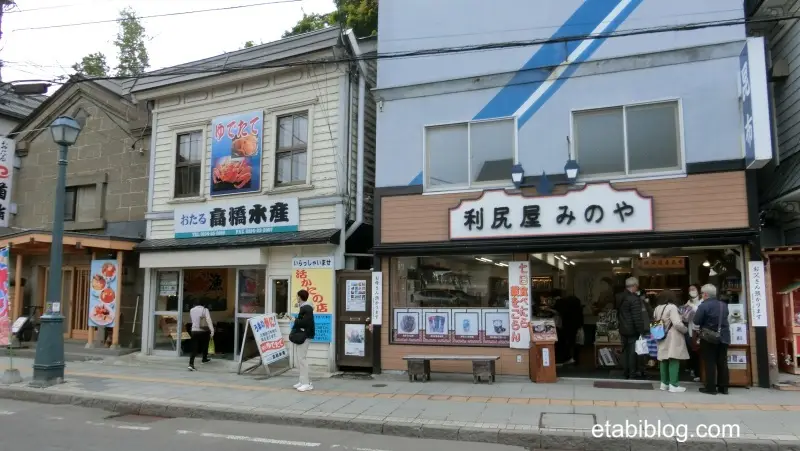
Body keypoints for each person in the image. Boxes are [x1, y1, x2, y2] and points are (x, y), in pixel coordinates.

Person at [693, 284, 731, 395]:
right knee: (722, 362)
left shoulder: (703, 306)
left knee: (710, 362)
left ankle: (711, 388)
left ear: (705, 294)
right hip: (724, 337)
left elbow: (696, 321)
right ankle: (724, 388)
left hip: (709, 338)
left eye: (701, 293)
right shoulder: (723, 305)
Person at [653, 290, 689, 393]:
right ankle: (674, 384)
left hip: (660, 335)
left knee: (663, 359)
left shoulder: (657, 308)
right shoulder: (672, 307)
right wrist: (685, 330)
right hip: (672, 336)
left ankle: (664, 383)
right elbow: (677, 323)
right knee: (674, 358)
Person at [617, 277, 649, 379]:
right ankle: (632, 373)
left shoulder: (619, 297)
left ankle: (625, 372)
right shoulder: (634, 299)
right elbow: (637, 318)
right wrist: (641, 331)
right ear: (634, 286)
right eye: (637, 286)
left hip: (623, 328)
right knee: (632, 353)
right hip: (632, 330)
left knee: (625, 351)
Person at [291, 289, 315, 392]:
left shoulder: (307, 308)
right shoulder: (305, 307)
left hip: (305, 336)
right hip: (303, 335)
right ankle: (302, 381)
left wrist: (293, 320)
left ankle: (307, 383)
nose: (296, 298)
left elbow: (304, 323)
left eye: (297, 296)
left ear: (300, 297)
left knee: (302, 359)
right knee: (300, 359)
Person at [679, 284, 703, 382]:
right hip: (690, 330)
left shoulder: (702, 302)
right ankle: (695, 371)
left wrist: (693, 308)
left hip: (700, 331)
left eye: (693, 289)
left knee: (700, 353)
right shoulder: (688, 303)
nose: (691, 291)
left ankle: (701, 373)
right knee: (693, 352)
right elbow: (686, 318)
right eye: (690, 290)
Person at [188, 301, 214, 371]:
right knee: (205, 344)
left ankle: (191, 364)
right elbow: (208, 320)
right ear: (204, 304)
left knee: (194, 347)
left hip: (194, 330)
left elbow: (193, 320)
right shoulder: (205, 310)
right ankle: (204, 358)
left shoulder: (191, 310)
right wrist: (212, 330)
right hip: (203, 330)